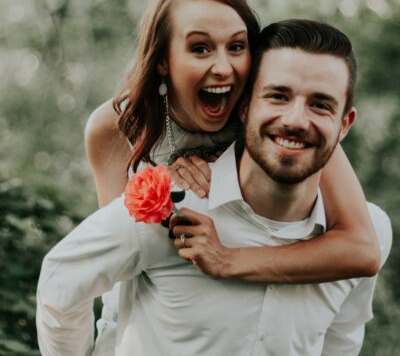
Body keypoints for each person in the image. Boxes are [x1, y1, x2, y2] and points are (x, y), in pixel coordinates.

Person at [36, 20, 392, 355]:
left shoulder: (370, 230)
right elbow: (61, 283)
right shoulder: (169, 208)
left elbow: (340, 340)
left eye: (320, 104)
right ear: (243, 107)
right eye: (278, 96)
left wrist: (230, 260)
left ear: (345, 124)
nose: (296, 120)